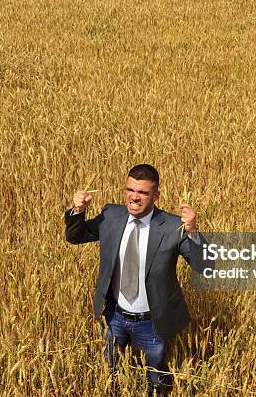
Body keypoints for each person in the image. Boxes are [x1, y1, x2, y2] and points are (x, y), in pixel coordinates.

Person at [64, 164, 211, 396]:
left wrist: (192, 232)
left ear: (156, 195)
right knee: (110, 373)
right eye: (130, 190)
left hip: (153, 322)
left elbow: (206, 267)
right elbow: (75, 236)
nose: (134, 197)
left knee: (157, 380)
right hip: (114, 316)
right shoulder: (111, 216)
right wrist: (78, 210)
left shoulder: (173, 227)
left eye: (142, 192)